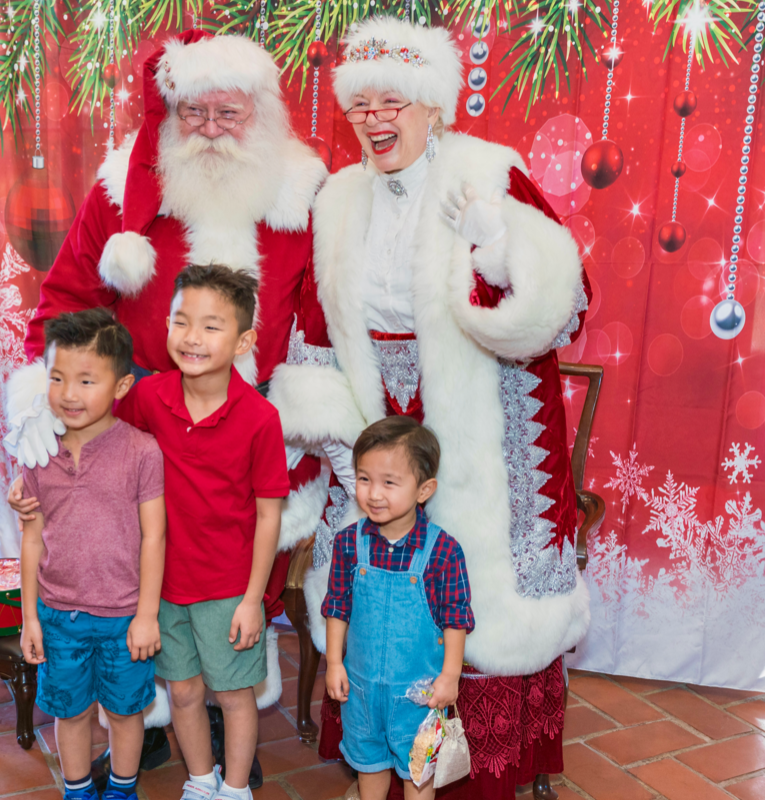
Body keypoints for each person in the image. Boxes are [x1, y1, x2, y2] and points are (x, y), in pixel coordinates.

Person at [267, 17, 592, 800]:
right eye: (361, 106)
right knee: (381, 577)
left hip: (482, 409)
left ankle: (477, 773)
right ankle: (383, 757)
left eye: (393, 102)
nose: (375, 119)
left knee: (477, 577)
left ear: (432, 106)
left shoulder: (490, 171)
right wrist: (333, 431)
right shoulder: (339, 198)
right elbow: (316, 321)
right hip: (380, 417)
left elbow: (565, 306)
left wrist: (497, 246)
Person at [3, 29, 330, 784]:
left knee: (226, 572)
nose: (211, 130)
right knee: (132, 566)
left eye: (230, 113)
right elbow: (68, 300)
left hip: (252, 428)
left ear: (264, 114)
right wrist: (55, 398)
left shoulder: (304, 193)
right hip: (141, 426)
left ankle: (221, 712)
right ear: (170, 113)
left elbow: (322, 318)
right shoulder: (122, 190)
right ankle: (146, 710)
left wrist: (307, 408)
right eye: (196, 112)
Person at [19, 309, 165, 800]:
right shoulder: (38, 455)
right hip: (58, 615)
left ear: (121, 386)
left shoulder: (142, 452)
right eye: (57, 378)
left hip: (124, 616)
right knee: (70, 710)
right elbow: (32, 538)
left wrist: (146, 615)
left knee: (125, 713)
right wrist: (30, 619)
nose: (69, 393)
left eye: (86, 380)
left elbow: (153, 537)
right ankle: (77, 790)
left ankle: (122, 790)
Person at [323, 417, 473, 800]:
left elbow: (456, 617)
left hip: (420, 700)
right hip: (360, 692)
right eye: (364, 479)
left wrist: (451, 675)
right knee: (368, 766)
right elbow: (337, 605)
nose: (374, 494)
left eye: (389, 483)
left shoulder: (443, 551)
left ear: (424, 490)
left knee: (418, 775)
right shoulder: (347, 544)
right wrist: (335, 662)